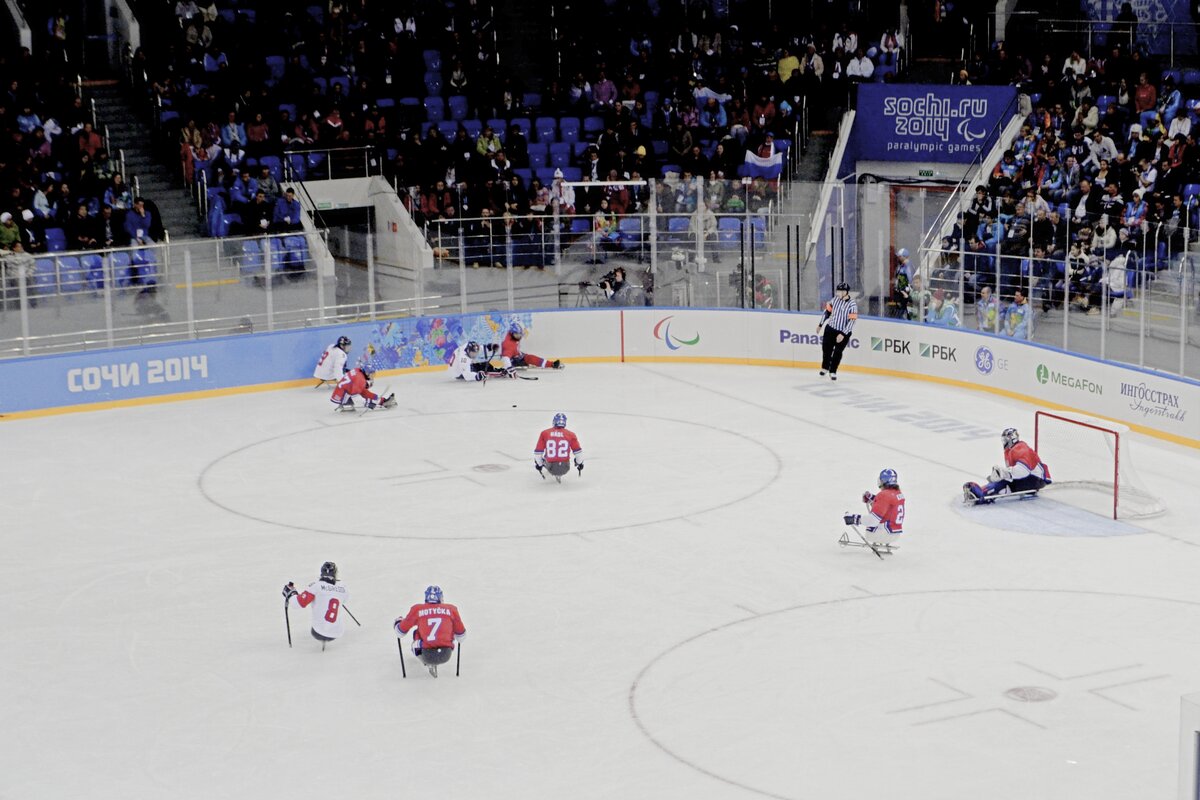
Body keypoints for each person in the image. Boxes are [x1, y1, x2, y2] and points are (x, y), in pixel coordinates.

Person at [964, 427, 1053, 503]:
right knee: (1003, 483)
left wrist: (1003, 473)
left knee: (1003, 481)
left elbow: (1024, 471)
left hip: (1035, 479)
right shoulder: (1012, 450)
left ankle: (982, 494)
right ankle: (987, 492)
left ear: (1012, 439)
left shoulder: (1020, 448)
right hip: (1032, 480)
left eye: (1006, 440)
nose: (1004, 442)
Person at [394, 585, 466, 678]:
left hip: (427, 654)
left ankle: (426, 662)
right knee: (449, 633)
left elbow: (400, 632)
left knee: (416, 634)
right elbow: (461, 636)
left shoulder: (417, 609)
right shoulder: (451, 609)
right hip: (446, 654)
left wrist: (398, 622)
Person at [282, 562, 351, 649]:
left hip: (318, 632)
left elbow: (297, 604)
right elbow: (344, 600)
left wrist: (291, 593)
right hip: (337, 632)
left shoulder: (316, 586)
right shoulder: (343, 588)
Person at [843, 468, 906, 548]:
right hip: (895, 534)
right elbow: (888, 504)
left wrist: (854, 519)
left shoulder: (883, 495)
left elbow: (873, 520)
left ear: (883, 481)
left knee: (872, 522)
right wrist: (872, 498)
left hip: (881, 534)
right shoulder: (898, 494)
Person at [816, 281, 857, 380]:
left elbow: (852, 321)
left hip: (843, 332)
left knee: (837, 352)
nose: (837, 293)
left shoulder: (852, 304)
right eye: (837, 291)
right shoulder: (834, 300)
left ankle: (833, 371)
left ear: (845, 292)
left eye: (839, 291)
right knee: (826, 350)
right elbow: (827, 312)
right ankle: (825, 367)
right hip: (830, 329)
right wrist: (820, 324)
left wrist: (843, 333)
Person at [534, 412, 584, 482]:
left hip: (550, 466)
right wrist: (579, 463)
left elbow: (538, 453)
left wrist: (539, 464)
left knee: (543, 456)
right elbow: (578, 453)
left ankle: (549, 470)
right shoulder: (571, 434)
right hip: (565, 467)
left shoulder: (545, 433)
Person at [330, 363, 395, 411]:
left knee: (364, 392)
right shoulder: (360, 380)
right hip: (340, 396)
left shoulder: (358, 371)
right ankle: (346, 403)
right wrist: (367, 403)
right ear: (366, 373)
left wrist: (373, 400)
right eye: (371, 374)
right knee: (363, 394)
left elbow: (363, 391)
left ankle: (382, 401)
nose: (372, 376)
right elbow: (356, 398)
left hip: (342, 391)